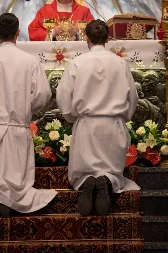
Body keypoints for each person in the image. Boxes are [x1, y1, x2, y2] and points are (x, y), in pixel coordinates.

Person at [0, 13, 57, 219]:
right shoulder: (29, 61)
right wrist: (26, 110)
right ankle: (9, 200)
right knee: (19, 178)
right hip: (18, 127)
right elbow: (43, 94)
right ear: (18, 33)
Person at [56, 19, 140, 217]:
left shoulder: (78, 62)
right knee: (113, 170)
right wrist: (124, 117)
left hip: (88, 125)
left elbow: (63, 93)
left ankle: (87, 183)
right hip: (112, 124)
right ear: (108, 38)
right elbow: (133, 97)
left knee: (82, 172)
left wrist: (72, 117)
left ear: (87, 39)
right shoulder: (120, 63)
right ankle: (107, 181)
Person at [28, 0, 94, 41]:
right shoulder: (44, 11)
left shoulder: (84, 12)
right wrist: (52, 32)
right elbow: (33, 32)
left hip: (78, 51)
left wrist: (77, 32)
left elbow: (95, 33)